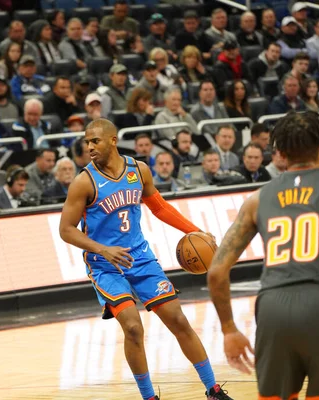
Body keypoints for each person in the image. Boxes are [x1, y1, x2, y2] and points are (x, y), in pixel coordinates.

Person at [59, 118, 233, 400]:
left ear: (113, 141)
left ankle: (213, 390)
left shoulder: (138, 170)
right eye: (87, 142)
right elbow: (65, 230)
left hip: (140, 257)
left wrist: (196, 231)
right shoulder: (84, 182)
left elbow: (160, 208)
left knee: (178, 320)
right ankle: (149, 397)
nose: (89, 147)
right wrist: (102, 249)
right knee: (132, 327)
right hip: (106, 266)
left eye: (95, 141)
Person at [207, 111, 319, 399]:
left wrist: (229, 329)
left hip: (272, 311)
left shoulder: (257, 199)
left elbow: (216, 270)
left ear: (279, 152)